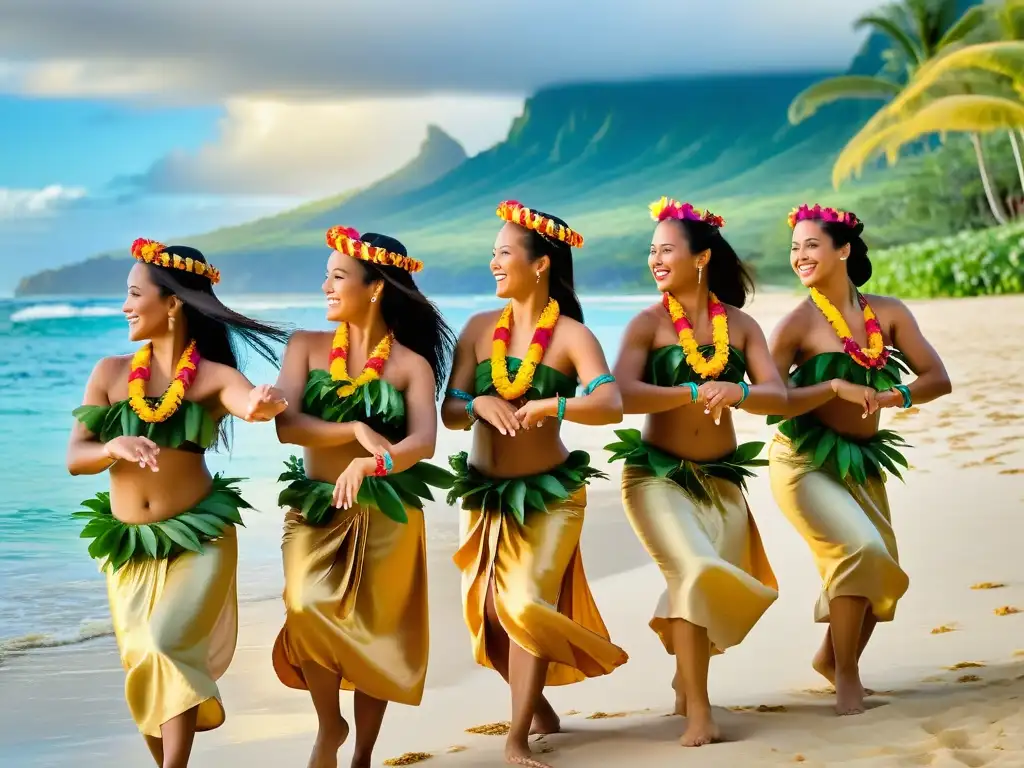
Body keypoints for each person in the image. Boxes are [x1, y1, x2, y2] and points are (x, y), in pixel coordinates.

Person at [67, 239, 289, 768]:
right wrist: (111, 447)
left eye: (133, 293)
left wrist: (260, 404)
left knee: (167, 645)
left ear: (172, 303)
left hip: (199, 538)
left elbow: (246, 401)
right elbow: (76, 456)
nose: (125, 305)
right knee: (142, 660)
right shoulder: (110, 374)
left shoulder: (212, 377)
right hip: (129, 548)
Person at [441, 200, 628, 768]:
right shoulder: (477, 330)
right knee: (492, 614)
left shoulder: (571, 335)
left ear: (540, 263)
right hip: (485, 495)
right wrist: (480, 401)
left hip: (550, 494)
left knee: (525, 603)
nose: (493, 262)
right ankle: (537, 703)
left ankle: (516, 737)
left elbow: (610, 401)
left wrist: (552, 402)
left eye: (504, 253)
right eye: (494, 253)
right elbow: (449, 409)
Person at [272, 226, 456, 768]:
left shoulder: (408, 365)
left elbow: (423, 442)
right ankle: (331, 724)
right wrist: (353, 429)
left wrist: (373, 461)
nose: (325, 286)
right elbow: (288, 427)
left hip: (385, 514)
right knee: (305, 606)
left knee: (375, 634)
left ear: (374, 287)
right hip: (316, 507)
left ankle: (362, 758)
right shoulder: (305, 346)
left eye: (337, 277)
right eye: (326, 276)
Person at [607, 197, 785, 746]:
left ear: (701, 258)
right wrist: (684, 391)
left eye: (667, 250)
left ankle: (686, 673)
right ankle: (700, 714)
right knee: (694, 572)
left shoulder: (742, 325)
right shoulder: (648, 323)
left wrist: (741, 390)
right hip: (657, 476)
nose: (656, 259)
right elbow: (619, 394)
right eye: (651, 251)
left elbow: (777, 394)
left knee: (697, 583)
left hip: (721, 479)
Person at [768, 204, 952, 716]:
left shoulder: (888, 313)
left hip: (861, 461)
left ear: (843, 249)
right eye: (795, 248)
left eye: (811, 245)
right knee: (860, 549)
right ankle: (847, 673)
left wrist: (892, 398)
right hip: (803, 461)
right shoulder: (796, 325)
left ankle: (830, 659)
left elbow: (937, 377)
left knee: (880, 565)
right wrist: (831, 386)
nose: (800, 256)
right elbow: (767, 396)